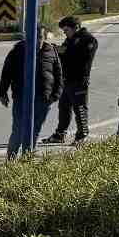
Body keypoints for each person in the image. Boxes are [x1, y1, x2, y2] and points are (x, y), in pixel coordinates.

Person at [0, 29, 64, 158]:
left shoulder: (51, 51)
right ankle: (10, 161)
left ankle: (27, 161)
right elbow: (6, 73)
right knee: (18, 131)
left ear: (45, 37)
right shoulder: (18, 51)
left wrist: (55, 95)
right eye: (34, 37)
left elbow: (59, 75)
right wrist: (2, 92)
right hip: (21, 97)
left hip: (43, 99)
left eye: (40, 37)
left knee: (34, 131)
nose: (37, 40)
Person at [45, 15, 98, 144]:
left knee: (80, 108)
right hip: (66, 80)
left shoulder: (88, 39)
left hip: (79, 80)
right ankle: (60, 134)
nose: (65, 33)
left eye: (66, 30)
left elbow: (81, 57)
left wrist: (64, 51)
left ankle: (82, 135)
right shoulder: (70, 40)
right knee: (64, 108)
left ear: (76, 27)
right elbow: (63, 54)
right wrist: (57, 50)